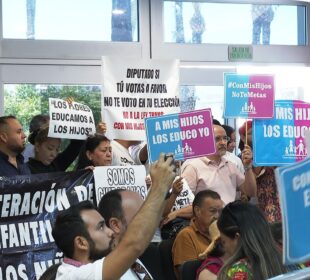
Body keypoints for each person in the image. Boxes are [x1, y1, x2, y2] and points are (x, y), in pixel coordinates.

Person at [52, 153, 176, 280]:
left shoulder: (115, 261)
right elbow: (134, 243)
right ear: (81, 243)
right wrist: (159, 185)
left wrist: (165, 186)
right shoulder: (73, 276)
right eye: (101, 227)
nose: (110, 232)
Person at [181, 124, 256, 205]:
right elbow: (184, 203)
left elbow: (250, 193)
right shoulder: (193, 166)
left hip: (230, 216)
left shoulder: (231, 165)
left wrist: (247, 167)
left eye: (225, 138)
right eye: (217, 139)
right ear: (206, 141)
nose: (223, 143)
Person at [98, 189, 163, 279]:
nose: (148, 222)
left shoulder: (139, 258)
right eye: (141, 216)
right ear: (116, 225)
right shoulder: (106, 274)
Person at [217, 201, 286, 280]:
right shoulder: (287, 262)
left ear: (237, 237)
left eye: (223, 242)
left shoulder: (238, 271)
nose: (224, 248)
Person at [172, 190, 223, 279]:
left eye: (220, 211)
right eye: (212, 211)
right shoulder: (186, 235)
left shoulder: (224, 234)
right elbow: (187, 274)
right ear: (198, 211)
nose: (217, 216)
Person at [239, 120, 281, 222]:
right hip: (260, 216)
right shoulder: (241, 160)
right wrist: (248, 166)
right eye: (251, 133)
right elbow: (250, 193)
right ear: (243, 138)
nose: (256, 135)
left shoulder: (279, 153)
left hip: (284, 213)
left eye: (260, 132)